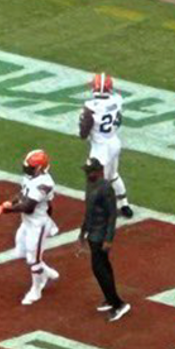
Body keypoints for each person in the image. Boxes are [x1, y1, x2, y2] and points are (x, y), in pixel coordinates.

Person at [0, 150, 61, 305]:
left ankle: (36, 290)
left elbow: (28, 207)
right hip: (27, 223)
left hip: (38, 225)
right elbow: (23, 193)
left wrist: (5, 210)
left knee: (34, 261)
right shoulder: (31, 177)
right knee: (21, 253)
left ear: (40, 168)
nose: (27, 169)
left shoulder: (45, 183)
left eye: (30, 167)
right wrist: (9, 202)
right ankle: (45, 272)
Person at [78, 158, 131, 322]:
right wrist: (83, 231)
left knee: (99, 268)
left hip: (100, 234)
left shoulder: (106, 188)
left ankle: (118, 304)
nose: (89, 175)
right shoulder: (91, 185)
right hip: (93, 232)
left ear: (99, 171)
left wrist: (109, 239)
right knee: (102, 268)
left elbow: (112, 215)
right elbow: (89, 211)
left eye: (91, 171)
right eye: (87, 172)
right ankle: (111, 299)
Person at [79, 73, 132, 218]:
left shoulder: (90, 107)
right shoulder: (118, 100)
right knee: (113, 175)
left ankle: (103, 210)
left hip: (100, 147)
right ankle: (125, 204)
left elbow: (83, 133)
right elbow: (118, 118)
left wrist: (84, 124)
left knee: (96, 181)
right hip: (114, 141)